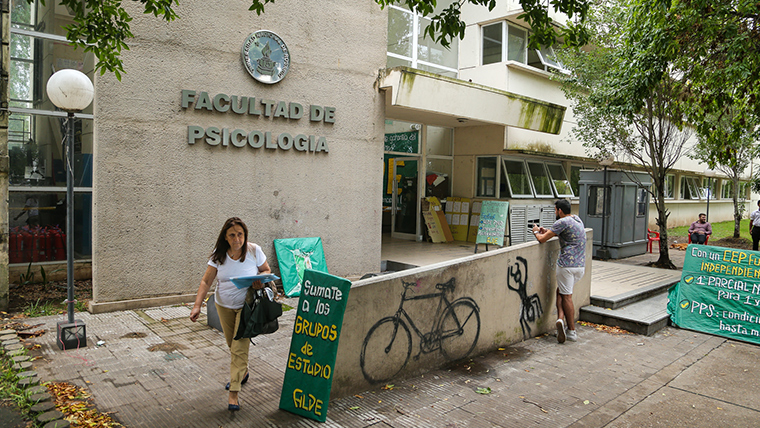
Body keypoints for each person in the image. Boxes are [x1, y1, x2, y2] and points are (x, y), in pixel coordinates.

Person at [189, 217, 272, 412]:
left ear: (245, 235)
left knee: (239, 347)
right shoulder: (219, 256)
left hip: (247, 307)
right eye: (232, 235)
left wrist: (259, 280)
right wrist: (197, 306)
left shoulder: (253, 250)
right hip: (223, 306)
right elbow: (206, 281)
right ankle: (242, 373)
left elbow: (266, 270)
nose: (237, 239)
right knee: (232, 344)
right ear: (225, 238)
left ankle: (233, 392)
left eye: (240, 234)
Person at [532, 199, 586, 344]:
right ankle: (560, 320)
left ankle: (572, 332)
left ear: (559, 210)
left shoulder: (561, 222)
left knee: (567, 296)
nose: (555, 212)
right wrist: (549, 232)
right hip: (580, 266)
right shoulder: (577, 219)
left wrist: (537, 232)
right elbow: (567, 234)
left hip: (566, 266)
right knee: (560, 292)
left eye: (555, 210)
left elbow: (542, 240)